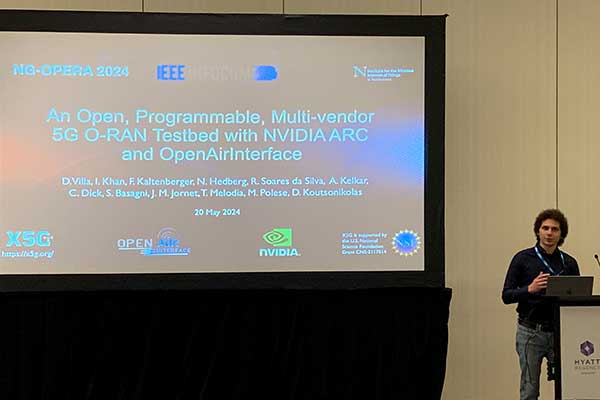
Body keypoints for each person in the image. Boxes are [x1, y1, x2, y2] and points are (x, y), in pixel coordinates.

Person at [502, 209, 580, 400]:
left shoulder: (569, 263)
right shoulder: (522, 259)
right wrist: (530, 289)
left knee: (569, 387)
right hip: (531, 332)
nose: (549, 233)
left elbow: (578, 298)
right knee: (530, 391)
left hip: (561, 332)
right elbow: (506, 295)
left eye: (554, 229)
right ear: (538, 231)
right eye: (545, 228)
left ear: (561, 234)